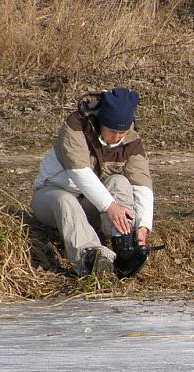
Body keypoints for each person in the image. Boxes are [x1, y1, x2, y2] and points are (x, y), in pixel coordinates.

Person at [31, 87, 154, 279]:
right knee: (65, 201)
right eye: (112, 131)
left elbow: (141, 183)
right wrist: (110, 206)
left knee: (119, 182)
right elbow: (79, 172)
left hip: (91, 204)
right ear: (100, 121)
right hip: (51, 196)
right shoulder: (75, 126)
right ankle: (92, 260)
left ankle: (124, 246)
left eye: (122, 132)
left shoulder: (131, 141)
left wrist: (143, 225)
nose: (117, 137)